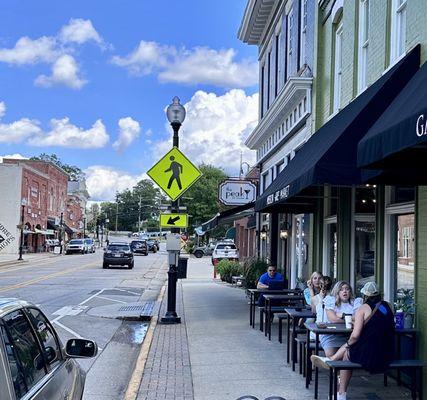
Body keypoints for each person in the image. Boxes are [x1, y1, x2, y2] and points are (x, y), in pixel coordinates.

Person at [311, 282, 395, 400]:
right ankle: (332, 360)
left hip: (372, 352)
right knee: (349, 348)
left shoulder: (363, 308)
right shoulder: (388, 306)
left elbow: (355, 336)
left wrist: (349, 343)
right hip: (389, 351)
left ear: (365, 296)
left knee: (347, 353)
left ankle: (341, 393)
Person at [319, 281, 362, 357]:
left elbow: (357, 318)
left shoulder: (355, 302)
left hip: (350, 335)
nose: (344, 291)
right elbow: (333, 319)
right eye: (341, 289)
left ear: (350, 291)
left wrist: (342, 315)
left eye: (347, 289)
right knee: (331, 355)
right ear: (337, 292)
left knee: (349, 356)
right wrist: (350, 319)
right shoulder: (331, 301)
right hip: (331, 335)